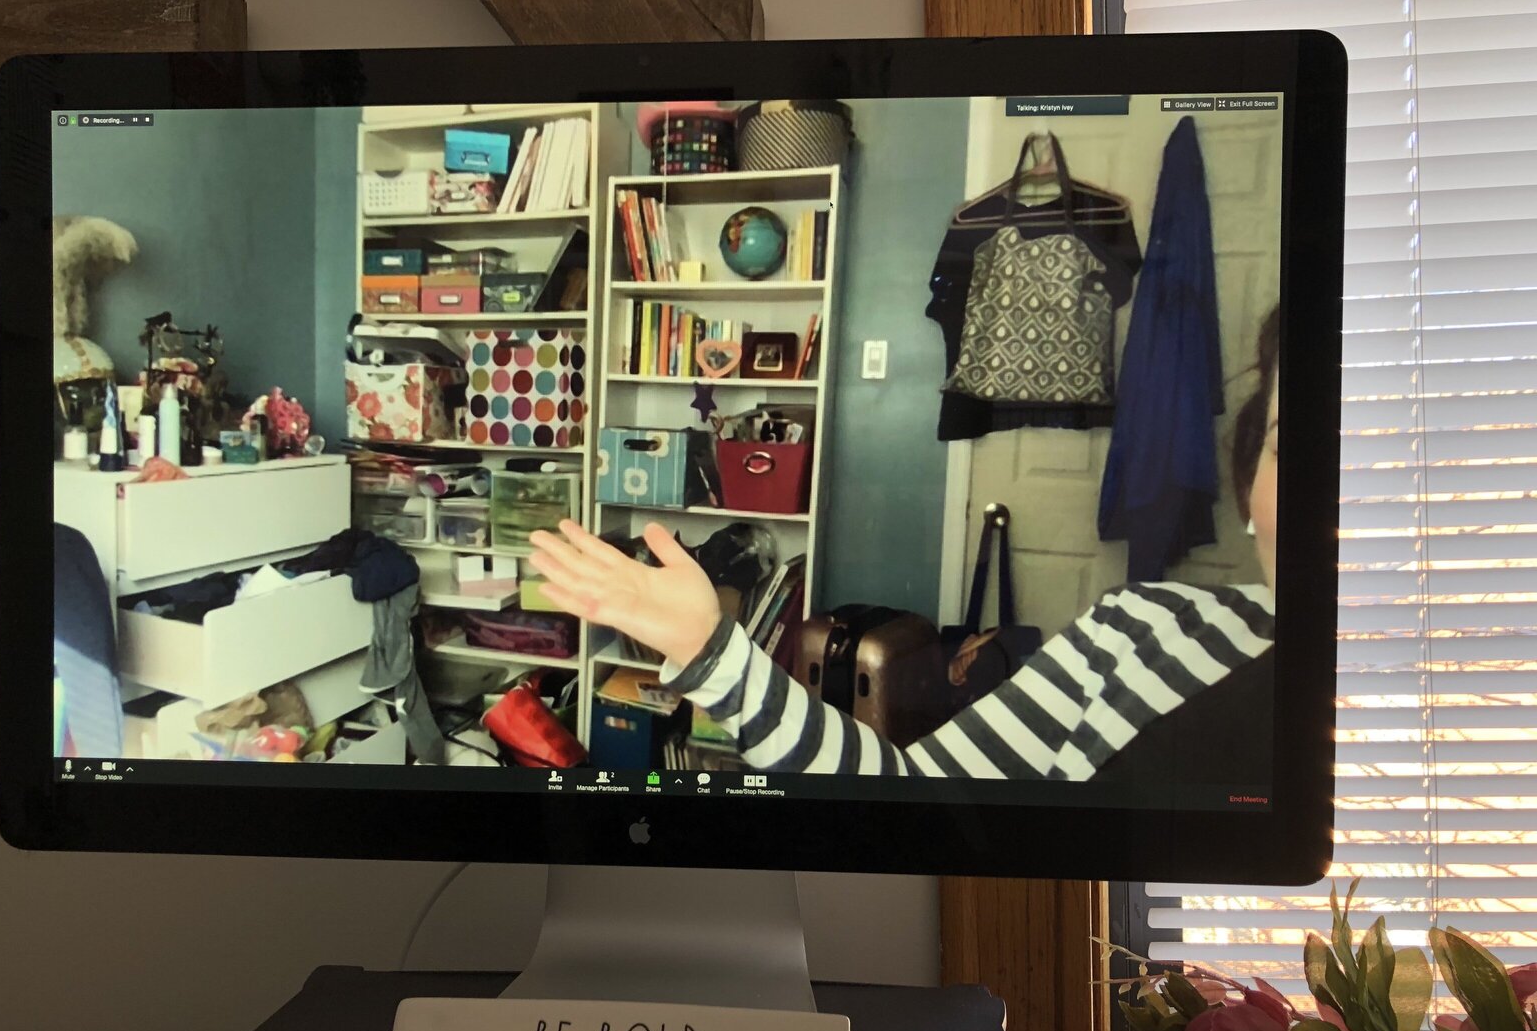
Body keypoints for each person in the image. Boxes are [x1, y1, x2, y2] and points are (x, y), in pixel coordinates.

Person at [531, 309, 1282, 782]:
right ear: (1248, 485)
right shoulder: (1136, 632)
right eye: (1289, 444)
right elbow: (908, 796)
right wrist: (708, 646)